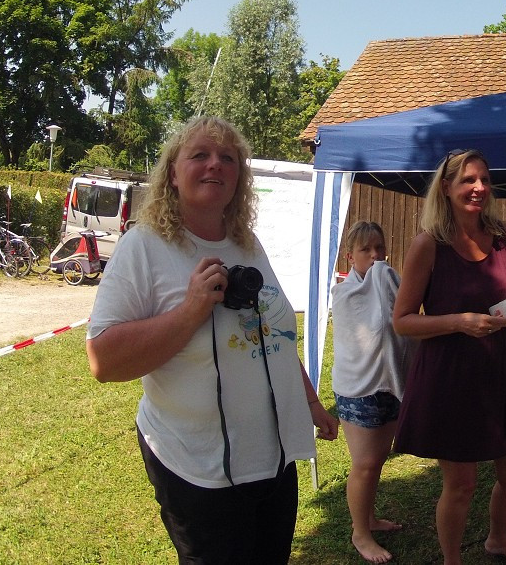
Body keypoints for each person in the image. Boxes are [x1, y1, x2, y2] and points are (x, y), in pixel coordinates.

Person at [85, 116, 338, 564]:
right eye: (199, 154)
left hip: (272, 459)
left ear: (239, 177)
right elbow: (104, 361)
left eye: (228, 158)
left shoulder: (246, 243)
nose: (214, 165)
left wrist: (311, 404)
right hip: (197, 467)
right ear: (172, 173)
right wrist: (190, 310)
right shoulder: (144, 246)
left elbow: (272, 334)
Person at [392, 149, 506, 565]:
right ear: (446, 188)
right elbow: (401, 321)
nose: (478, 188)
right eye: (468, 180)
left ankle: (497, 541)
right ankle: (451, 560)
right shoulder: (428, 245)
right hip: (449, 375)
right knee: (461, 485)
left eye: (485, 180)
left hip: (498, 369)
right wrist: (459, 322)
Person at [331, 221, 410, 564]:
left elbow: (401, 323)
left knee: (377, 460)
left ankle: (369, 519)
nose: (376, 256)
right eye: (366, 250)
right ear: (351, 256)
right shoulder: (345, 294)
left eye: (380, 248)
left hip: (388, 383)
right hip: (358, 388)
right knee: (364, 464)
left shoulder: (388, 283)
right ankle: (360, 534)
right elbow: (377, 324)